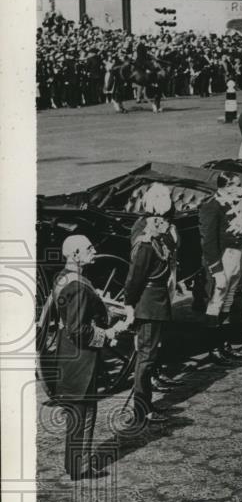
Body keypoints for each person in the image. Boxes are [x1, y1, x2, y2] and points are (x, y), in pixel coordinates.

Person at [52, 235, 129, 480]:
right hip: (81, 359)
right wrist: (108, 334)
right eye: (89, 248)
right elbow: (78, 330)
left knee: (77, 414)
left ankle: (73, 464)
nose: (94, 250)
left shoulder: (63, 277)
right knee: (84, 415)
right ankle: (80, 467)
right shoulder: (77, 287)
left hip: (68, 355)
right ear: (75, 255)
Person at [123, 183, 176, 427]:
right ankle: (141, 410)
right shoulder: (147, 240)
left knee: (148, 356)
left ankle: (144, 405)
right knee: (145, 359)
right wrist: (129, 304)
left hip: (155, 302)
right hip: (149, 304)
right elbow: (136, 276)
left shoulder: (148, 229)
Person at [199, 172, 242, 364]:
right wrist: (217, 270)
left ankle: (223, 345)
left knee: (228, 301)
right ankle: (213, 349)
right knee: (216, 302)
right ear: (226, 186)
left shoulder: (233, 202)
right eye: (236, 185)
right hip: (222, 260)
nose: (240, 189)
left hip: (235, 258)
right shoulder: (212, 207)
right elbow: (208, 243)